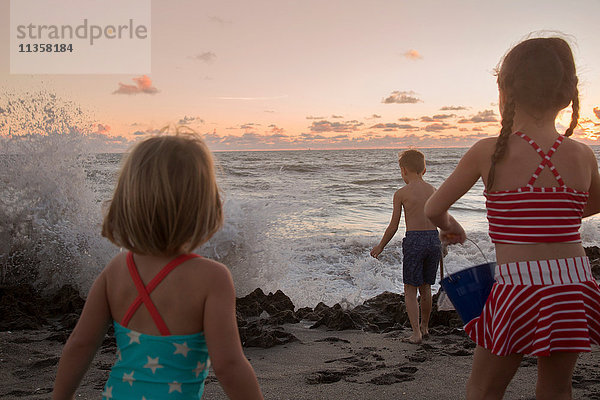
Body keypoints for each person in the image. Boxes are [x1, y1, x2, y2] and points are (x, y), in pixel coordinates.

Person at [424, 36, 600, 400]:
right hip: (573, 283)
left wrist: (451, 226)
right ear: (568, 97)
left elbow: (433, 208)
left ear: (505, 92)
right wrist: (552, 217)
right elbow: (591, 204)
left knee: (485, 388)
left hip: (517, 286)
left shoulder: (487, 151)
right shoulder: (583, 154)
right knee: (556, 388)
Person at [52, 133, 263, 400]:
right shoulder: (212, 278)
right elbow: (229, 366)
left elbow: (80, 345)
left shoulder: (116, 270)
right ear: (203, 208)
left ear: (128, 202)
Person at [371, 149, 450, 344]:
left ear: (403, 170)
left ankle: (416, 333)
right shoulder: (433, 190)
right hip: (433, 240)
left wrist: (381, 246)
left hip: (414, 241)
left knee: (410, 289)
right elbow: (442, 219)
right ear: (425, 170)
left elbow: (394, 226)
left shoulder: (401, 194)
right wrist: (444, 242)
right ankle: (425, 326)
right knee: (426, 287)